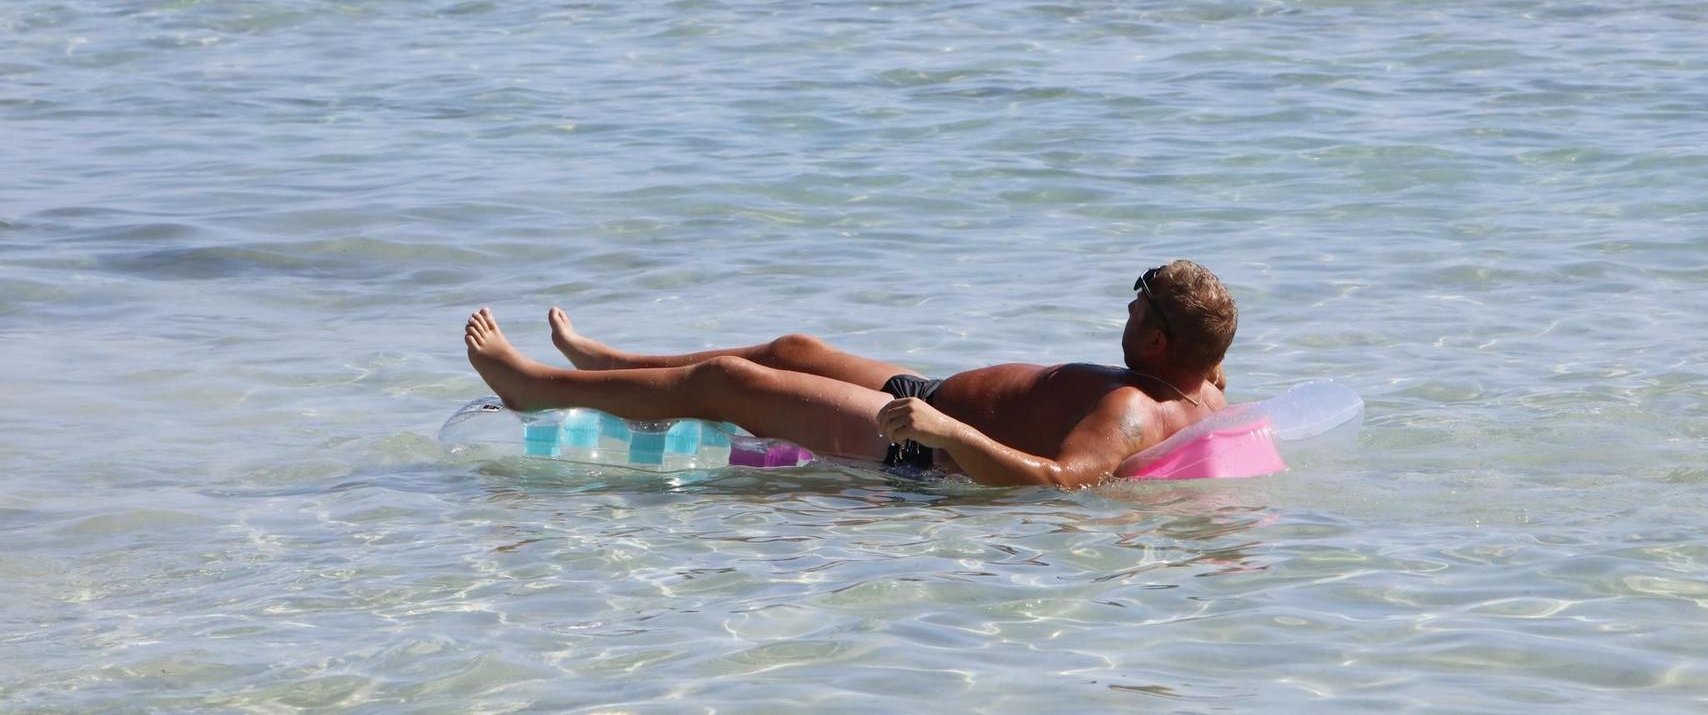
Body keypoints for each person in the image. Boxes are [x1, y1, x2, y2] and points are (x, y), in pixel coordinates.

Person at [462, 259, 1237, 489]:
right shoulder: (1199, 379)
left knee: (730, 382)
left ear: (1160, 343)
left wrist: (945, 431)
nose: (1125, 309)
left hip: (917, 443)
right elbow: (1209, 368)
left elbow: (1061, 481)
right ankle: (610, 363)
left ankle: (530, 385)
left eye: (1138, 304)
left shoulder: (1133, 409)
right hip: (930, 397)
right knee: (793, 346)